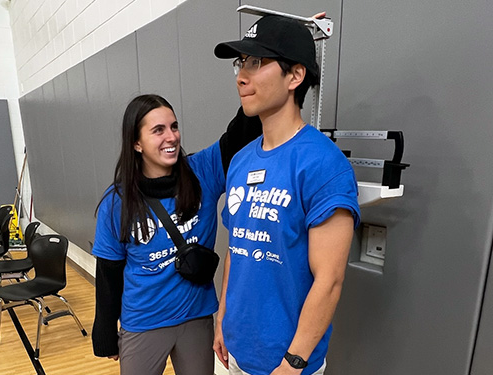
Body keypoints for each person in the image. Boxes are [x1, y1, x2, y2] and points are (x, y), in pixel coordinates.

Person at [212, 14, 361, 375]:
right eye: (240, 63)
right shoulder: (241, 161)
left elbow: (329, 280)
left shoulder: (324, 165)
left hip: (286, 362)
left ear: (295, 76)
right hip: (234, 350)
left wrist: (293, 363)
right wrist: (222, 318)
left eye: (257, 62)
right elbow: (238, 248)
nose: (242, 76)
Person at [91, 94, 261, 375]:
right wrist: (106, 331)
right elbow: (108, 272)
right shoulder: (117, 202)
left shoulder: (202, 171)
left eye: (174, 126)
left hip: (196, 318)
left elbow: (243, 130)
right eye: (158, 130)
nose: (171, 137)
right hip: (144, 322)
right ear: (136, 142)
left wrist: (258, 82)